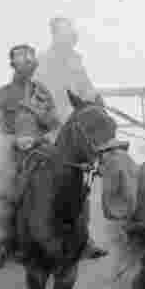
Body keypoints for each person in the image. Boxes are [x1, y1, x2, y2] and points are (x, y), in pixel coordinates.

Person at [34, 16, 108, 259]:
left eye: (70, 35)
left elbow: (86, 88)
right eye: (62, 35)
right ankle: (7, 238)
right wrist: (51, 120)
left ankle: (84, 238)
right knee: (24, 175)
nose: (67, 39)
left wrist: (96, 101)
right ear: (54, 36)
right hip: (51, 128)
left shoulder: (76, 62)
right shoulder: (43, 63)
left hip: (75, 127)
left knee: (85, 177)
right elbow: (38, 96)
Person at [0, 43, 61, 269]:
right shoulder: (1, 96)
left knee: (70, 175)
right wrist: (13, 141)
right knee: (8, 189)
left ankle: (81, 237)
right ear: (13, 66)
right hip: (13, 153)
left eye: (30, 63)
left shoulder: (42, 93)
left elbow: (54, 124)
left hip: (41, 149)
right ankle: (4, 243)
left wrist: (42, 133)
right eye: (22, 63)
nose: (27, 67)